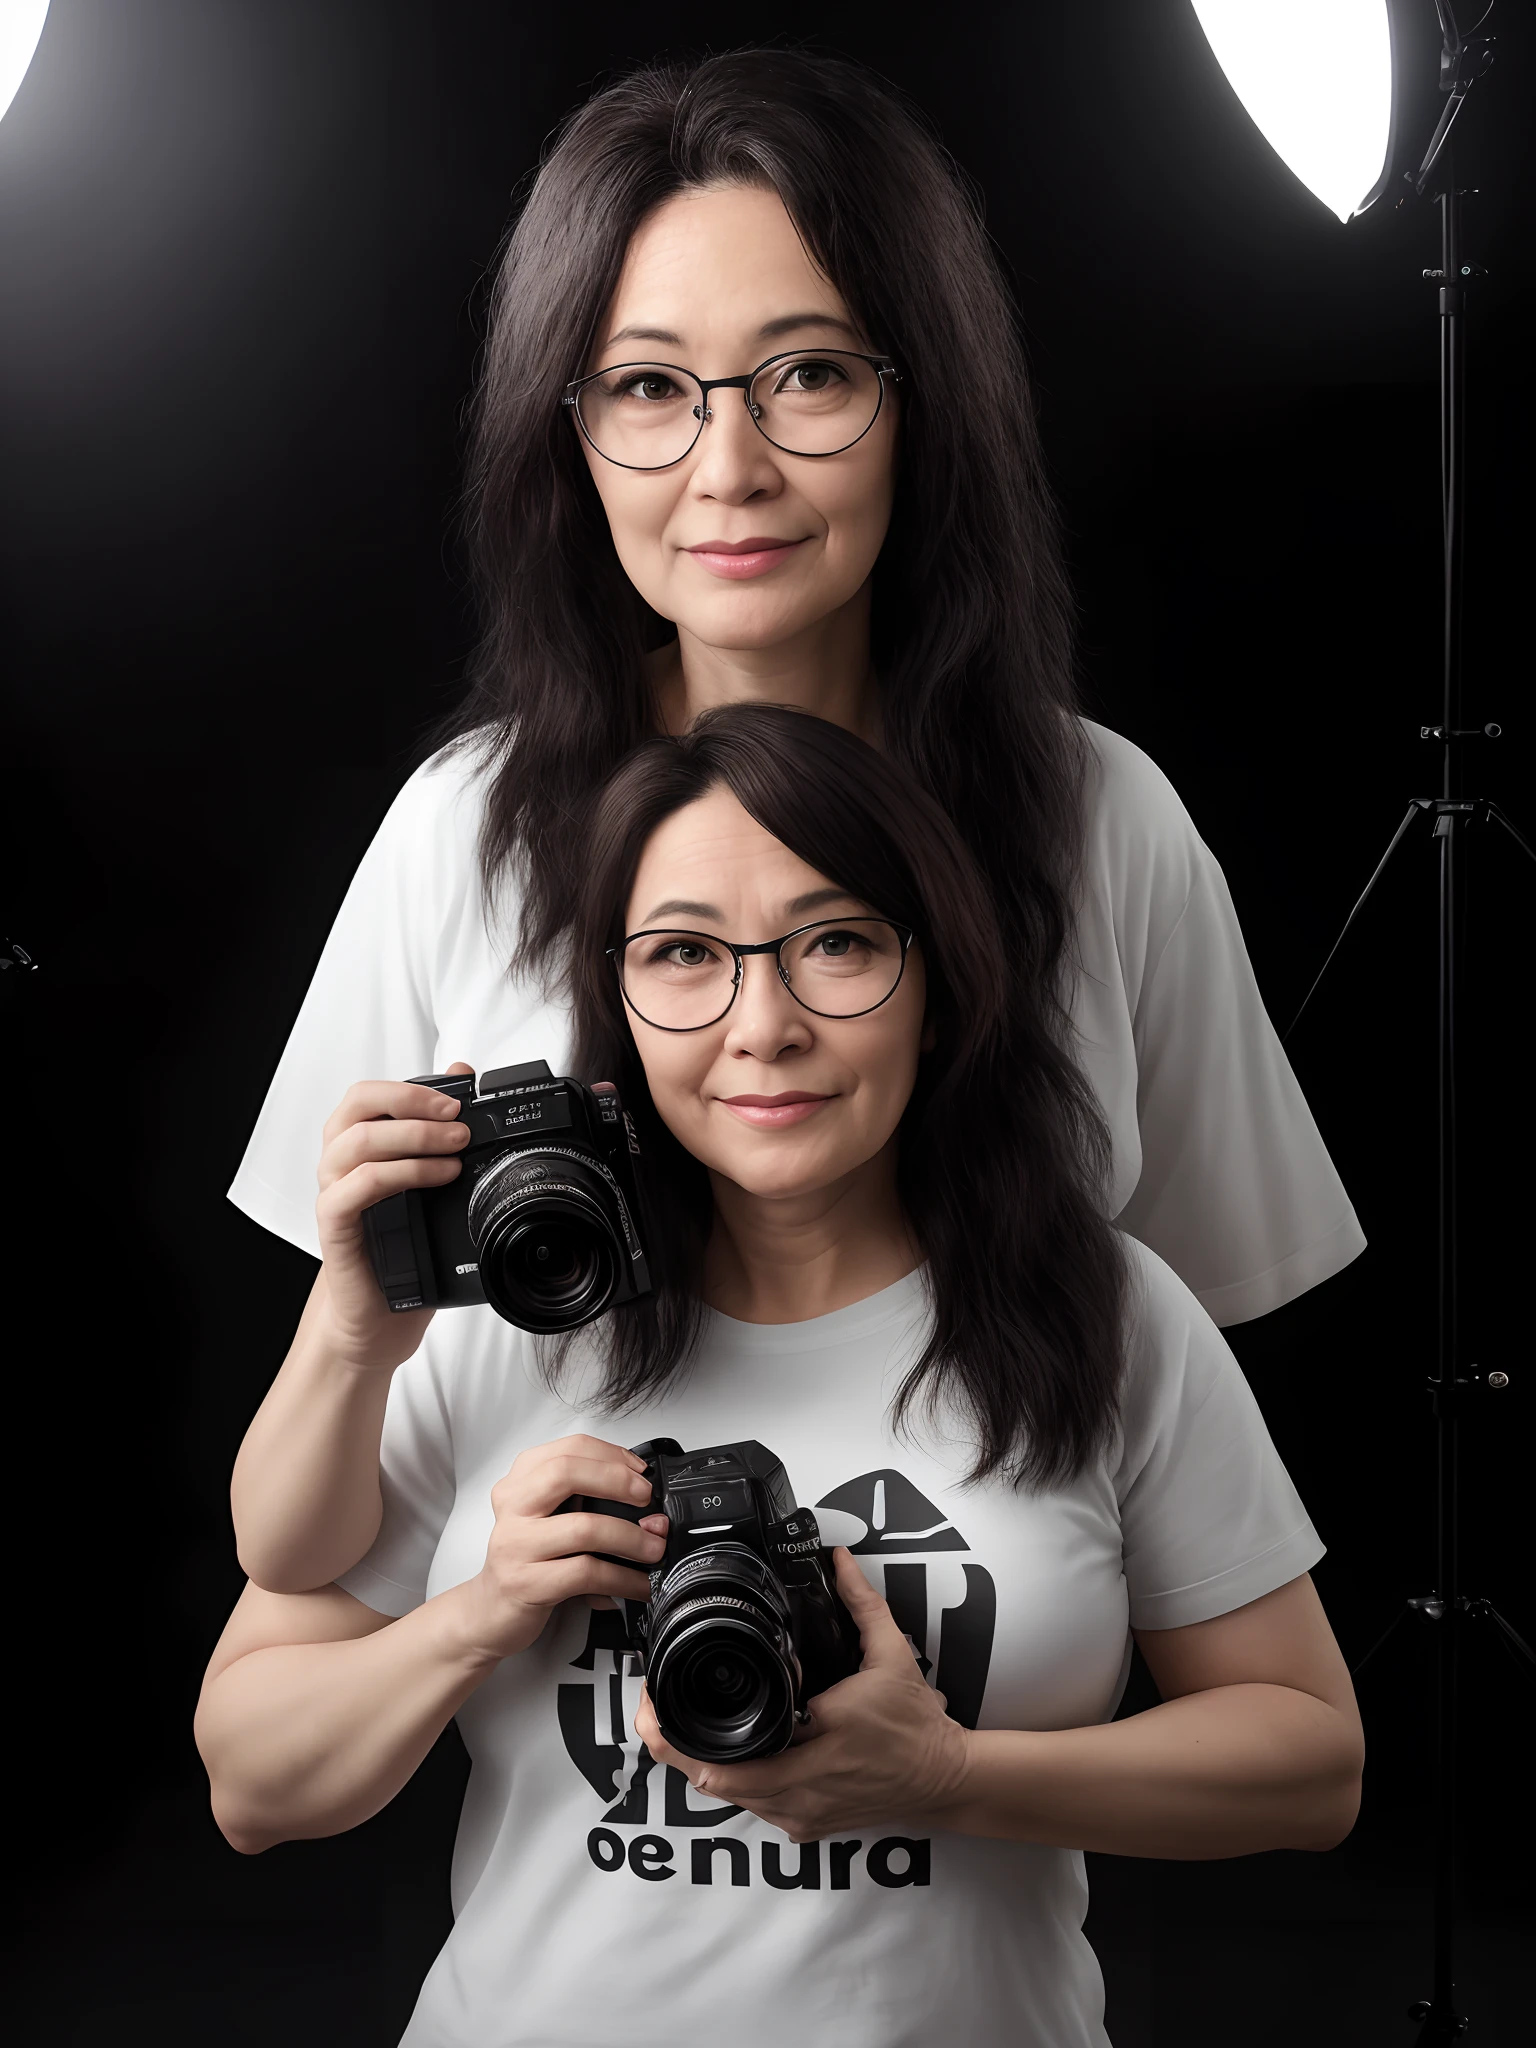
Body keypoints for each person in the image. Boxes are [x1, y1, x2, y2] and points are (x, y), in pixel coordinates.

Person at [197, 705, 1365, 2048]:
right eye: (686, 955)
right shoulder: (507, 1319)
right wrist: (479, 1611)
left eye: (839, 945)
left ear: (941, 989)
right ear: (617, 1001)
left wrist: (947, 1777)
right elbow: (253, 1780)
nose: (765, 1025)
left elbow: (1309, 1766)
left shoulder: (1102, 1312)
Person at [228, 46, 1364, 1330]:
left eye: (810, 372)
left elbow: (1199, 1368)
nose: (732, 467)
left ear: (923, 403)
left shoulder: (1104, 814)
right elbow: (345, 1356)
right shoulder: (458, 824)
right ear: (568, 441)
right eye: (650, 386)